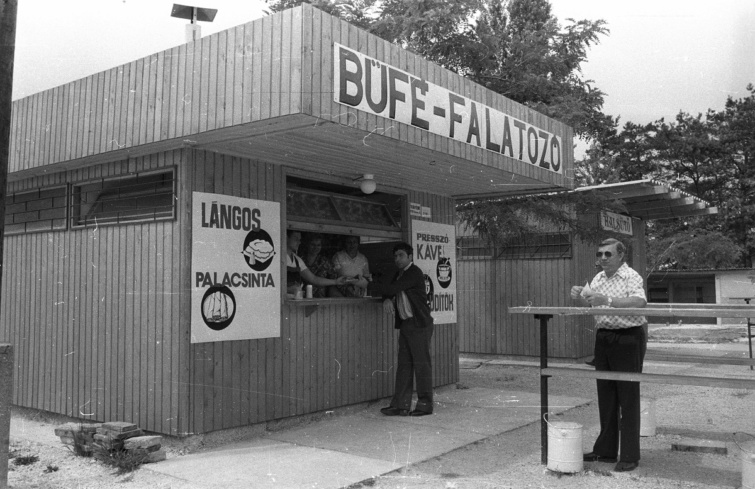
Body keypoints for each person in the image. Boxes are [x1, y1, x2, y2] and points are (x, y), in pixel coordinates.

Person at [570, 238, 647, 473]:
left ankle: (630, 455)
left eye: (608, 254)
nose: (603, 258)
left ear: (621, 256)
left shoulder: (631, 276)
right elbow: (594, 302)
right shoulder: (598, 278)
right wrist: (581, 295)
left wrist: (609, 300)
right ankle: (605, 450)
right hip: (604, 337)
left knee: (628, 396)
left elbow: (640, 301)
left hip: (628, 338)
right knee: (606, 395)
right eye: (600, 254)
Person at [380, 242, 434, 417]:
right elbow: (388, 286)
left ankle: (425, 404)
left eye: (401, 255)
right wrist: (387, 298)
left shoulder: (413, 272)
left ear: (410, 257)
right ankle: (400, 405)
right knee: (404, 365)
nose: (397, 259)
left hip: (419, 324)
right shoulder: (399, 274)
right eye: (395, 256)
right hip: (406, 324)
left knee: (421, 365)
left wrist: (385, 292)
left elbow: (392, 287)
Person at [286, 230, 348, 296]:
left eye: (299, 240)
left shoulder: (297, 260)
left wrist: (336, 281)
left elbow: (314, 279)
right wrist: (288, 289)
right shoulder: (278, 258)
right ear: (286, 238)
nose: (299, 242)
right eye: (296, 239)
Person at [301, 233, 336, 298]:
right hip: (302, 298)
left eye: (318, 245)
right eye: (313, 244)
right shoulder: (300, 260)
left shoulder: (325, 262)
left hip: (321, 299)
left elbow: (333, 279)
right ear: (307, 245)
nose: (315, 247)